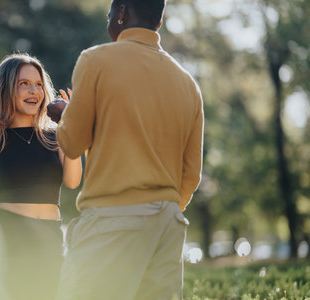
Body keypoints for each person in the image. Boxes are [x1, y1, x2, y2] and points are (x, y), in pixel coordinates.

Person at [47, 0, 204, 299]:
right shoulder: (187, 83)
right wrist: (158, 207)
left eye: (109, 13)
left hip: (112, 219)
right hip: (169, 226)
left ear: (121, 13)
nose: (109, 19)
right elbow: (191, 174)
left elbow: (72, 142)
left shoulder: (95, 60)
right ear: (158, 22)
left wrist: (64, 115)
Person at [0, 53, 82, 300]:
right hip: (8, 237)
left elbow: (73, 181)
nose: (34, 91)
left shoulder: (56, 136)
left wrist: (69, 126)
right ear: (5, 89)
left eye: (39, 84)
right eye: (24, 84)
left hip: (50, 238)